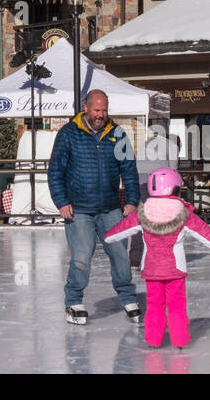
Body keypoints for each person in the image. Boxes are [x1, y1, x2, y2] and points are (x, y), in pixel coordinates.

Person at [105, 168, 210, 348]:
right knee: (176, 306)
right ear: (175, 189)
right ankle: (179, 340)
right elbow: (206, 234)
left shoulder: (142, 213)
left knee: (154, 305)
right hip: (176, 270)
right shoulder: (184, 213)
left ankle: (154, 339)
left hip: (151, 269)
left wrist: (106, 235)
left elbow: (117, 232)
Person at [48, 88, 142, 326]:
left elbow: (129, 169)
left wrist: (131, 200)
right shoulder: (69, 134)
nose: (101, 114)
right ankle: (74, 301)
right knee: (81, 257)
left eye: (104, 110)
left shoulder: (117, 134)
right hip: (78, 209)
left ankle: (128, 298)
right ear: (86, 108)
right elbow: (55, 171)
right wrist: (61, 201)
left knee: (120, 255)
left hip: (110, 208)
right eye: (97, 109)